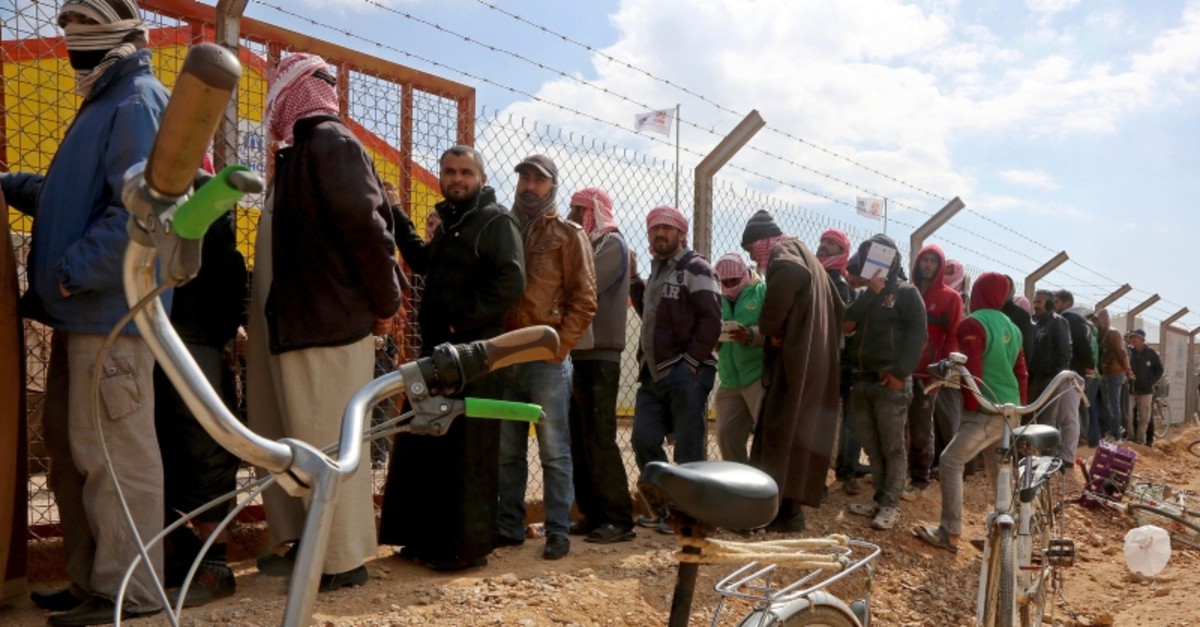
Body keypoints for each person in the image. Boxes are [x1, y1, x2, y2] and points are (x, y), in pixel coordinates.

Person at [1, 1, 170, 623]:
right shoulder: (102, 103)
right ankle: (92, 581)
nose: (72, 45)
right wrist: (9, 184)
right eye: (66, 33)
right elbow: (69, 197)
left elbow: (140, 214)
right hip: (80, 315)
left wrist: (68, 275)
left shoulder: (137, 103)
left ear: (118, 37)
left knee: (116, 458)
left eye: (83, 35)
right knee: (77, 455)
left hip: (110, 316)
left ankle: (132, 592)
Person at [246, 53, 402, 591]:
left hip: (328, 325)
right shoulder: (297, 154)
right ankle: (302, 545)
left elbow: (371, 232)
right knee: (291, 440)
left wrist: (387, 304)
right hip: (298, 323)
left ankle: (342, 561)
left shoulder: (331, 144)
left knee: (327, 446)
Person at [379, 144, 525, 571]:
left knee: (467, 453)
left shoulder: (496, 221)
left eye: (465, 172)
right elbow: (423, 261)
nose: (456, 178)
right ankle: (424, 539)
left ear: (480, 177)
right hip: (437, 357)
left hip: (474, 359)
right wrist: (395, 213)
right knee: (424, 442)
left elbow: (512, 280)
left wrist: (465, 325)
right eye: (449, 171)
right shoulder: (452, 224)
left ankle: (463, 549)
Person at [495, 156, 597, 560]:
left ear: (552, 186)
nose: (529, 185)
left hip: (545, 358)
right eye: (524, 177)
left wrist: (560, 346)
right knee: (507, 450)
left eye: (539, 180)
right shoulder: (502, 227)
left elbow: (585, 299)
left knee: (554, 450)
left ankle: (557, 530)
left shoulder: (568, 234)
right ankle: (508, 526)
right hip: (503, 354)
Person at [154, 164, 247, 607]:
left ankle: (215, 566)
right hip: (164, 332)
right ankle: (184, 556)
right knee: (167, 448)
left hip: (195, 338)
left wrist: (218, 336)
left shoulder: (209, 191)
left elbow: (227, 273)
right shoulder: (154, 185)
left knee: (202, 448)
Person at [913, 271, 1029, 554]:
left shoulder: (973, 323)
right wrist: (1021, 409)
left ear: (978, 293)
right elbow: (1021, 372)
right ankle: (1005, 536)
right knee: (997, 471)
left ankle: (949, 532)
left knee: (951, 461)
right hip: (1009, 408)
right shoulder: (1012, 327)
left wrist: (972, 408)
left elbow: (972, 370)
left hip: (986, 408)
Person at [742, 211, 844, 532]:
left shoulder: (783, 252)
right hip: (815, 359)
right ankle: (789, 513)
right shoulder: (809, 256)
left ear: (760, 242)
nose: (753, 258)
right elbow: (840, 306)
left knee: (779, 431)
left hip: (797, 361)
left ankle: (774, 514)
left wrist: (771, 325)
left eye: (750, 250)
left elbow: (788, 274)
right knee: (796, 435)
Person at [629, 205, 721, 533]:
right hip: (654, 373)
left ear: (681, 234)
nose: (659, 234)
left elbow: (712, 319)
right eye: (654, 229)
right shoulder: (657, 270)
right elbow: (652, 316)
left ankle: (691, 515)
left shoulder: (696, 268)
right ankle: (664, 509)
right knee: (642, 439)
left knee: (689, 446)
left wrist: (692, 363)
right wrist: (633, 280)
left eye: (666, 229)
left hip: (685, 371)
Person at [565, 187, 635, 545]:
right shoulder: (591, 245)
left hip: (601, 354)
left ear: (594, 211)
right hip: (581, 354)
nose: (573, 215)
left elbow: (584, 283)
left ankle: (618, 519)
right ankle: (592, 513)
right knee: (580, 437)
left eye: (579, 209)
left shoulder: (611, 244)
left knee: (600, 439)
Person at [843, 234, 926, 531]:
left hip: (890, 383)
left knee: (892, 447)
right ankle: (879, 498)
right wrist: (870, 294)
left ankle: (891, 505)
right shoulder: (864, 294)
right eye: (868, 257)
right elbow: (846, 323)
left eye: (879, 257)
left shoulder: (905, 292)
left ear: (893, 260)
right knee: (872, 446)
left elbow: (918, 334)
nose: (872, 263)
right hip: (862, 381)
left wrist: (902, 371)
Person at [903, 244, 964, 502]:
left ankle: (919, 478)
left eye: (932, 261)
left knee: (920, 427)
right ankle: (900, 473)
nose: (927, 265)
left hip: (928, 374)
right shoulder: (908, 291)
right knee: (898, 425)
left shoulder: (950, 298)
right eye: (924, 260)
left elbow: (953, 338)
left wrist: (943, 374)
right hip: (902, 369)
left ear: (939, 267)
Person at [712, 253, 765, 464]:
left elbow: (776, 329)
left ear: (744, 275)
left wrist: (751, 335)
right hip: (729, 379)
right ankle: (739, 484)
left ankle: (766, 485)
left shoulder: (761, 292)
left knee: (765, 436)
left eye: (734, 281)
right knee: (726, 436)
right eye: (724, 283)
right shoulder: (716, 297)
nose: (729, 287)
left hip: (757, 376)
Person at [1027, 289, 1078, 467]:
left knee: (1047, 421)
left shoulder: (1058, 322)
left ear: (1049, 304)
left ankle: (1046, 461)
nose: (1035, 305)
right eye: (1034, 301)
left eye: (1039, 302)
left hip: (1050, 379)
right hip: (1034, 378)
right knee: (1029, 418)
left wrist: (1056, 377)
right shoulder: (1035, 323)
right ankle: (1029, 458)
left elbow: (1065, 352)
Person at [1053, 290, 1099, 446]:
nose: (1053, 304)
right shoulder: (1072, 319)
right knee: (1071, 411)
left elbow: (1082, 345)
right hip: (1070, 373)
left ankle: (1069, 452)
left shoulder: (1071, 320)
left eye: (1056, 301)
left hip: (1072, 373)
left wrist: (1090, 365)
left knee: (1070, 414)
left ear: (1066, 303)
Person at [1096, 308, 1132, 440]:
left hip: (1115, 373)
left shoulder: (1112, 332)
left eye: (1099, 319)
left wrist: (1126, 369)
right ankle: (1114, 429)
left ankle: (1116, 433)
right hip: (1107, 373)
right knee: (1108, 404)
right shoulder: (1103, 333)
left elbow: (1120, 352)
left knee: (1113, 404)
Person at [1125, 329, 1163, 445]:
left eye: (1135, 337)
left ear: (1142, 339)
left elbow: (1159, 370)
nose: (1133, 340)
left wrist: (1151, 381)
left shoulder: (1151, 353)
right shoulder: (1129, 352)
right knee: (1128, 415)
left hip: (1146, 391)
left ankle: (1141, 440)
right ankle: (1130, 437)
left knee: (1144, 418)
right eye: (1132, 338)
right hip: (1131, 389)